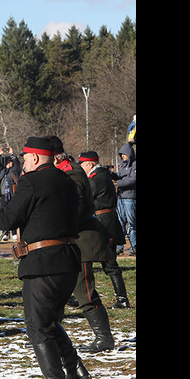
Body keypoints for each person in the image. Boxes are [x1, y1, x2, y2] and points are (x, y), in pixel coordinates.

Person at [0, 136, 89, 379]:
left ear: (36, 158)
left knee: (37, 325)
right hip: (68, 260)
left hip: (43, 262)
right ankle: (75, 370)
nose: (23, 163)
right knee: (49, 320)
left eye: (25, 158)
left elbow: (9, 218)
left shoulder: (31, 180)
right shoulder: (68, 181)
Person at [50, 137, 115, 354]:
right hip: (72, 239)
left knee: (84, 291)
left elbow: (73, 209)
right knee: (58, 290)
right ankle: (48, 335)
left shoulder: (72, 173)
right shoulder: (66, 171)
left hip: (83, 240)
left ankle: (104, 338)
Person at [79, 151, 130, 309]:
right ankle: (121, 298)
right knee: (107, 263)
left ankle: (122, 299)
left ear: (90, 164)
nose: (82, 168)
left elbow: (86, 198)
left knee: (108, 263)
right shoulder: (103, 175)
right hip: (107, 220)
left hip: (104, 222)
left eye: (83, 165)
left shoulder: (96, 179)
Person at [114, 142, 136, 255]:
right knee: (120, 222)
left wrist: (118, 183)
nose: (122, 156)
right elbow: (118, 176)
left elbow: (133, 180)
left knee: (132, 223)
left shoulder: (134, 165)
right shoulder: (121, 165)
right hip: (121, 197)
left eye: (124, 154)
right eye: (121, 154)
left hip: (130, 198)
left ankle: (134, 245)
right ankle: (119, 246)